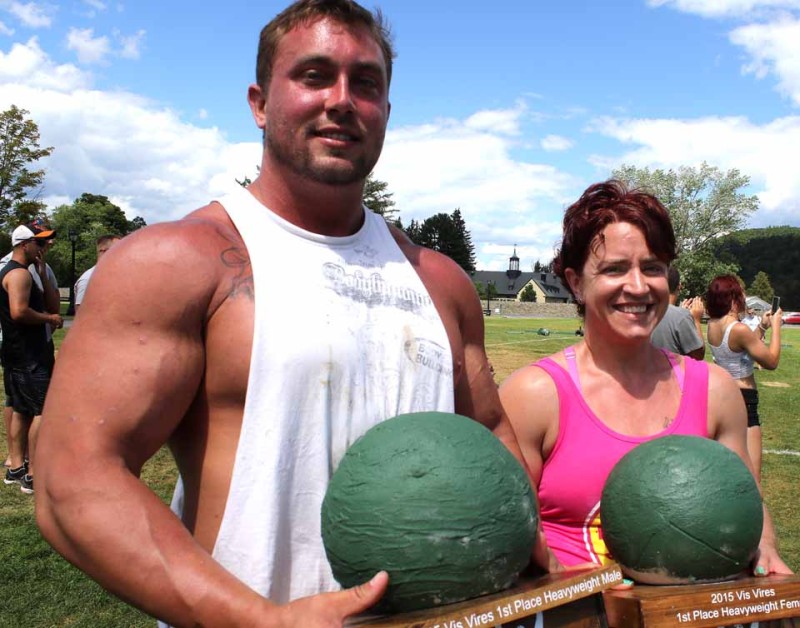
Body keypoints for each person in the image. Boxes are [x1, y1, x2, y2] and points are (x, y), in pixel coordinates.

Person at [34, 1, 537, 625]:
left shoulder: (440, 281)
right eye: (314, 76)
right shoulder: (175, 262)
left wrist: (519, 541)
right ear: (260, 103)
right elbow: (72, 480)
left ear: (386, 110)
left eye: (366, 83)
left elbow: (490, 433)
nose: (342, 100)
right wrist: (258, 619)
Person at [499, 180, 790, 578]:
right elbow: (504, 532)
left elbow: (746, 499)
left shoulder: (715, 390)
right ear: (576, 282)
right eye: (614, 269)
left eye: (652, 268)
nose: (637, 286)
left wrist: (765, 546)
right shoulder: (534, 395)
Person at [1, 225, 63, 494]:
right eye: (39, 243)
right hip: (29, 354)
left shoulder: (28, 271)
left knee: (20, 409)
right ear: (24, 244)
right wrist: (49, 319)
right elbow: (19, 312)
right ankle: (33, 475)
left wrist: (42, 271)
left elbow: (51, 302)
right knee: (42, 410)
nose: (44, 247)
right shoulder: (18, 274)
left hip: (19, 353)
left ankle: (16, 468)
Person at [705, 276, 781, 483]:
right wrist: (776, 326)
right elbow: (771, 361)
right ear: (733, 299)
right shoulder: (739, 329)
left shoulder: (713, 324)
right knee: (752, 476)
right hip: (744, 399)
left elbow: (740, 347)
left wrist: (762, 326)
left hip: (724, 395)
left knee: (728, 468)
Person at [650, 266, 705, 360]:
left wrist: (680, 313)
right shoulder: (681, 317)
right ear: (679, 286)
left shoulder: (646, 312)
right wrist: (696, 320)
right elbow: (698, 356)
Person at [73, 234, 121, 312]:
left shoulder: (114, 277)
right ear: (103, 251)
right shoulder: (88, 280)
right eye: (119, 249)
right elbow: (82, 313)